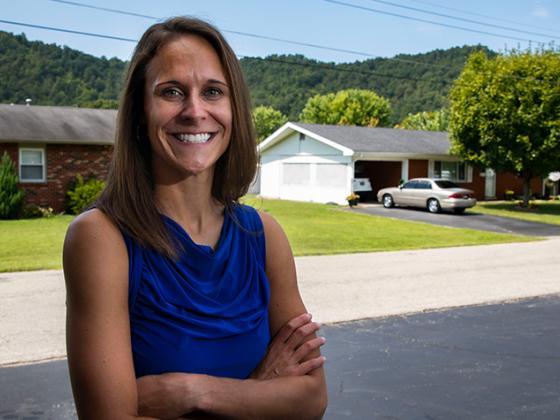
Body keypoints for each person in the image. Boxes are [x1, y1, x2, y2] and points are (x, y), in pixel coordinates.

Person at [63, 16, 327, 419]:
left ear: (233, 108)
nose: (195, 111)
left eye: (213, 92)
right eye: (171, 92)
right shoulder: (101, 239)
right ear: (139, 112)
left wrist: (194, 392)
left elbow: (311, 400)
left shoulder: (264, 236)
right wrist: (260, 393)